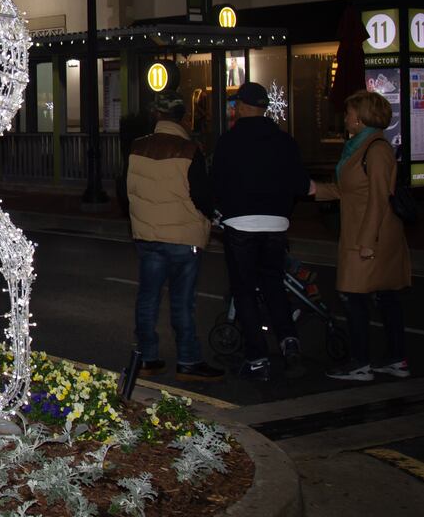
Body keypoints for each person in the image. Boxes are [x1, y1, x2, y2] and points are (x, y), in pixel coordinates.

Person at [210, 81, 314, 381]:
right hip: (276, 224)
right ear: (265, 107)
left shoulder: (228, 141)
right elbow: (300, 185)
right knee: (273, 285)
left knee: (244, 290)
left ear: (242, 106)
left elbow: (217, 182)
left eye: (236, 104)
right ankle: (289, 342)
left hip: (240, 223)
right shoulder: (285, 141)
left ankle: (257, 357)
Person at [313, 90, 411, 381]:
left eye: (349, 112)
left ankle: (360, 362)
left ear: (361, 116)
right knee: (385, 295)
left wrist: (367, 243)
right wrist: (315, 190)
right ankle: (395, 358)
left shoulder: (375, 149)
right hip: (364, 232)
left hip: (370, 236)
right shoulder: (359, 146)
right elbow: (350, 190)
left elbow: (379, 198)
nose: (345, 117)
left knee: (352, 295)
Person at [124, 95, 224, 382]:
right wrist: (212, 218)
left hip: (147, 234)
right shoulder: (190, 150)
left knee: (148, 297)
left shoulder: (137, 147)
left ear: (157, 118)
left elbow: (125, 188)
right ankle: (189, 360)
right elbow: (201, 195)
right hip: (183, 235)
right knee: (182, 301)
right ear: (183, 119)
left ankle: (146, 357)